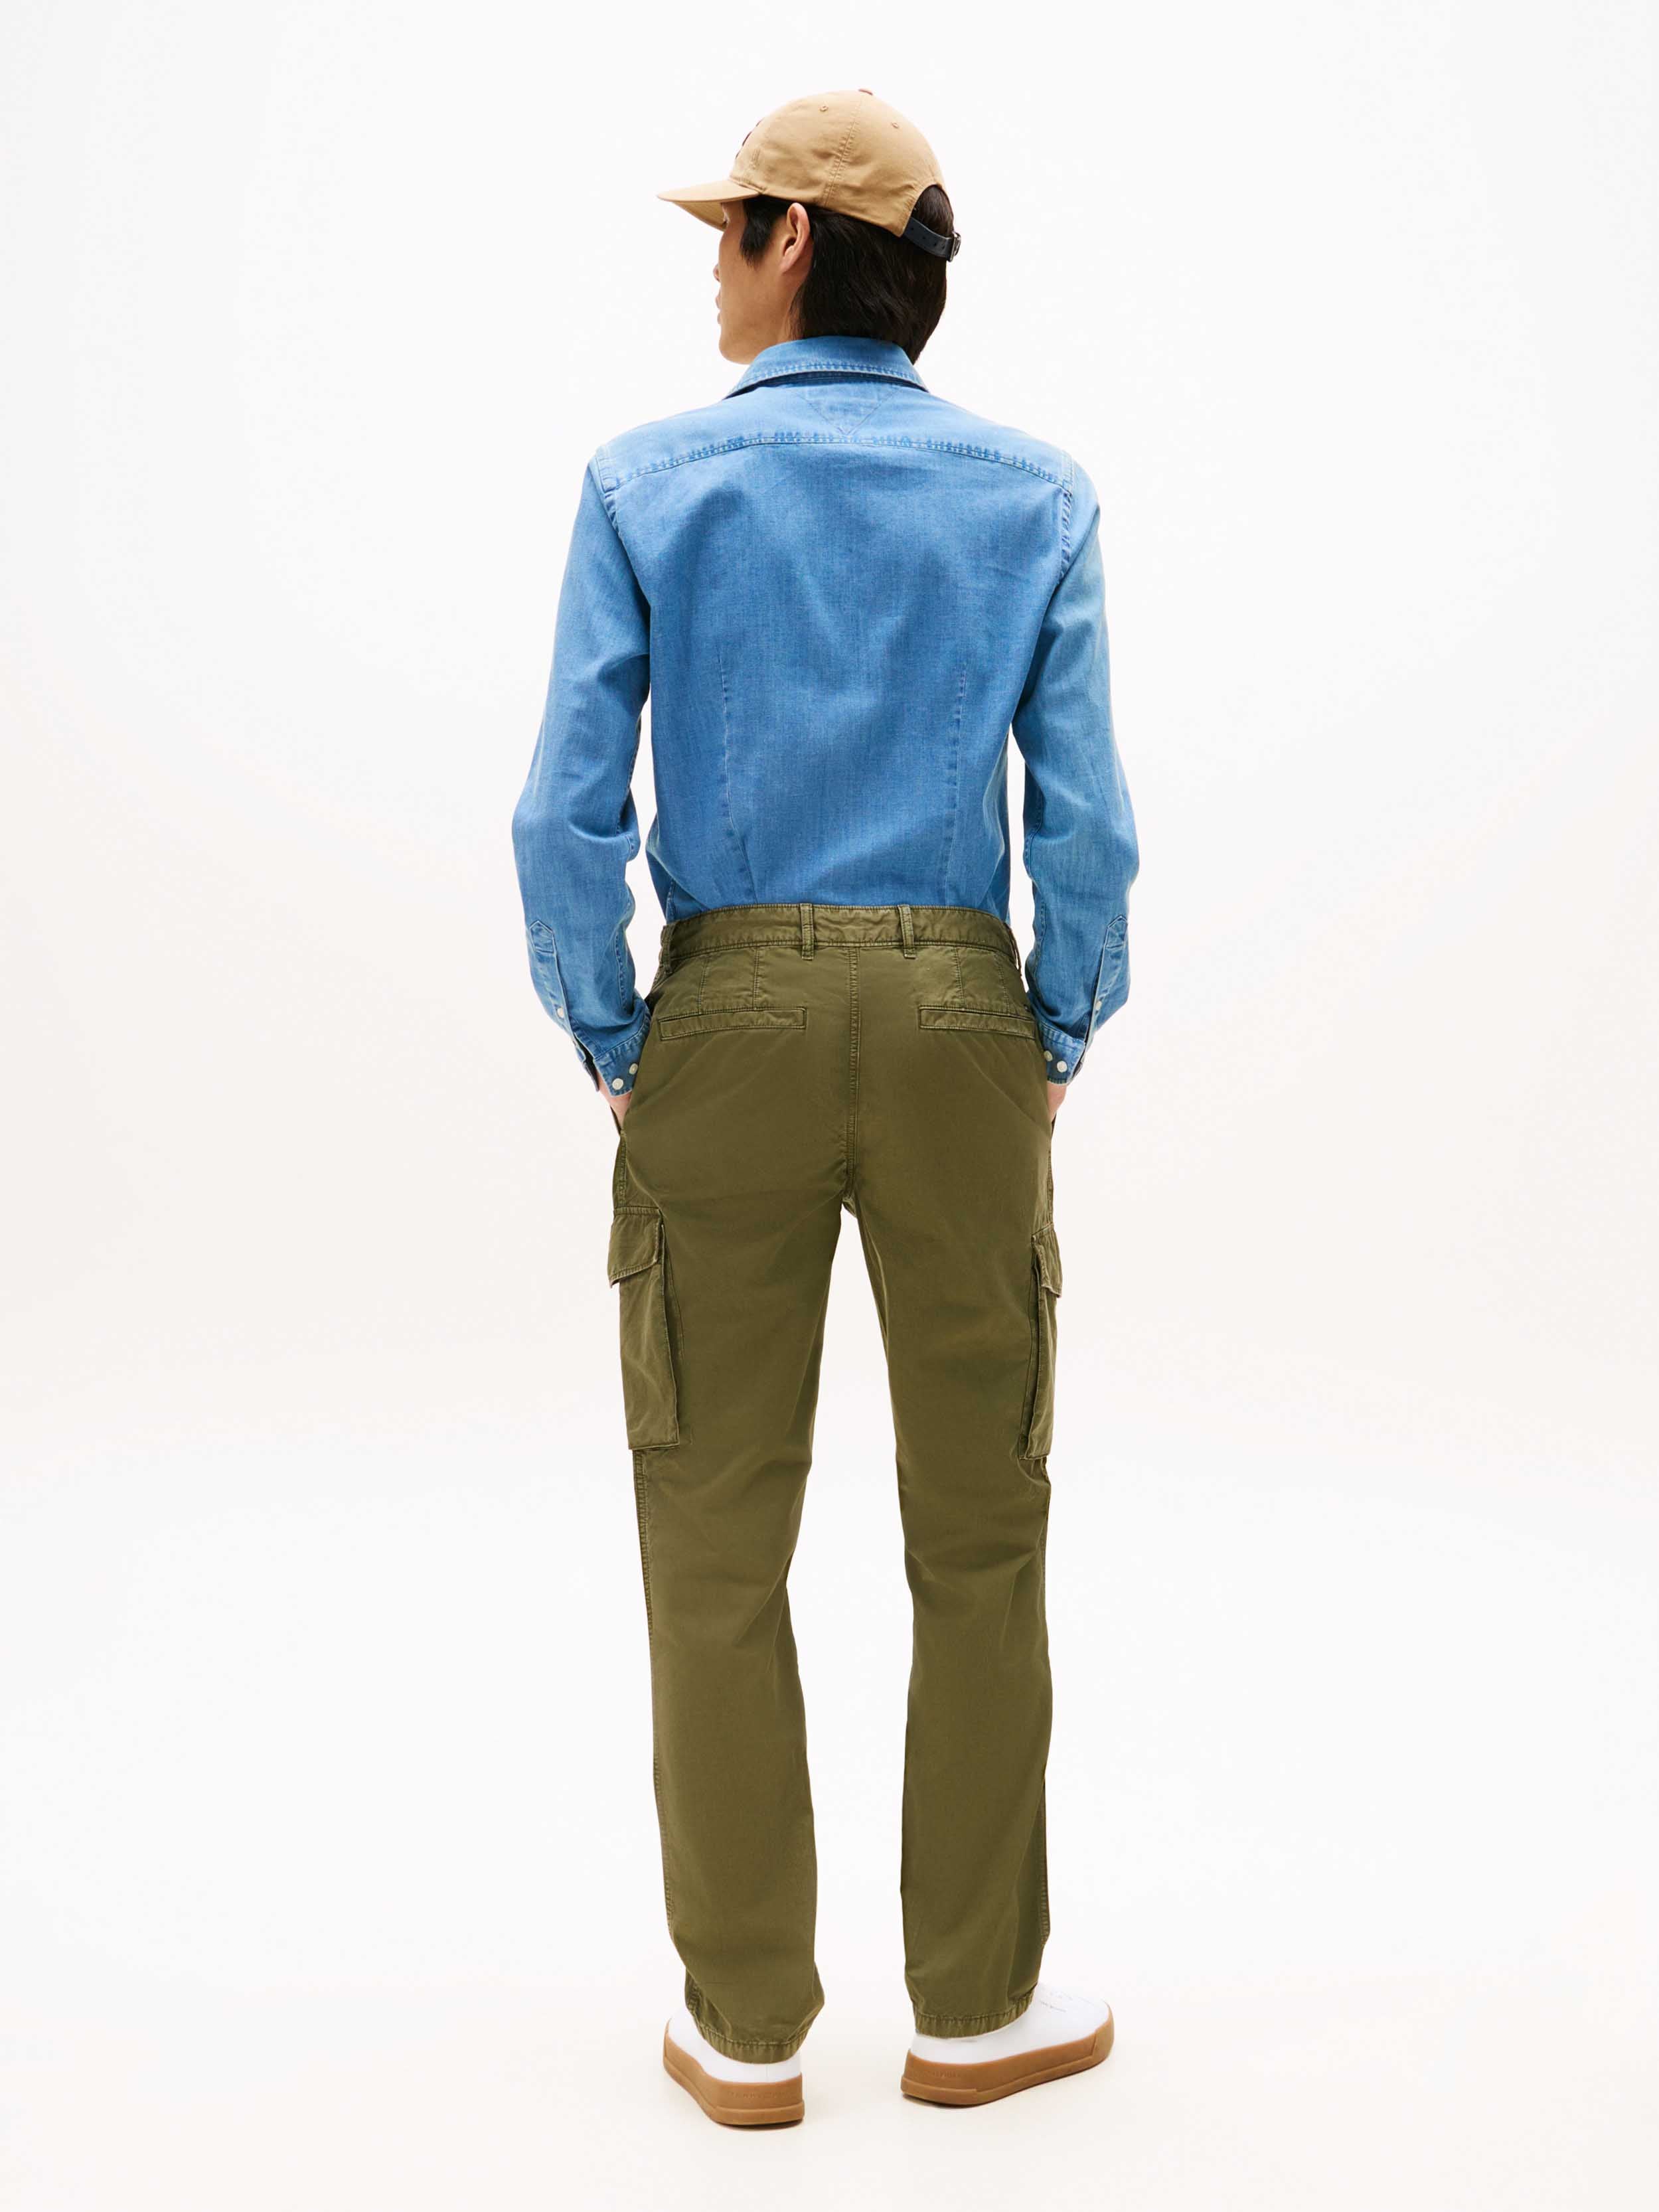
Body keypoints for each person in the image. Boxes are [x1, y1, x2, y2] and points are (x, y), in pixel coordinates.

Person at [511, 88, 1139, 2126]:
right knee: (984, 1523)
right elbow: (1088, 826)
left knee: (712, 1532)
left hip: (728, 1021)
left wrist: (621, 1035)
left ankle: (748, 2025)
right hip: (958, 1015)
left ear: (793, 240)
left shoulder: (647, 481)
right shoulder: (1032, 495)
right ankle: (974, 2004)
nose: (710, 263)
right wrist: (1050, 1029)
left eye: (729, 228)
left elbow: (560, 812)